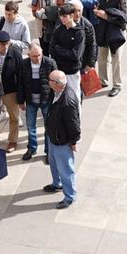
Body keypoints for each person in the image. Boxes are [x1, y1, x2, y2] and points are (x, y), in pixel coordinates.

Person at [42, 69, 80, 209]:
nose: (48, 82)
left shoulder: (68, 101)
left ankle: (70, 196)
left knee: (66, 169)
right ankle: (56, 184)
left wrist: (74, 141)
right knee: (53, 163)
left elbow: (74, 124)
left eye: (50, 80)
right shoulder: (56, 91)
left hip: (62, 141)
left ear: (57, 84)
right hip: (53, 137)